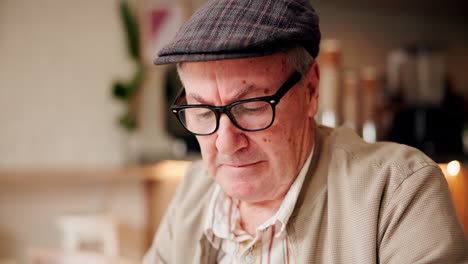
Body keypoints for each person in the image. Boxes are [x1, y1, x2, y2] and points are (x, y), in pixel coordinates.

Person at [143, 0, 468, 263]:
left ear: (311, 90)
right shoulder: (194, 190)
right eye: (201, 111)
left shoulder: (397, 191)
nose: (226, 144)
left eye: (252, 107)